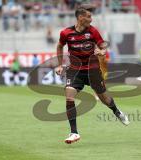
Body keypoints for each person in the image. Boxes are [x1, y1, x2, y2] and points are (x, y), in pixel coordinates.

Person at [55, 4, 130, 144]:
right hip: (75, 70)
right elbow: (60, 45)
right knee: (69, 95)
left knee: (104, 99)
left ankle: (116, 111)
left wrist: (102, 52)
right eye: (88, 16)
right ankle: (74, 132)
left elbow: (102, 46)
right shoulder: (66, 33)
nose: (91, 19)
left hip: (93, 69)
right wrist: (59, 64)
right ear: (80, 17)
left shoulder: (93, 31)